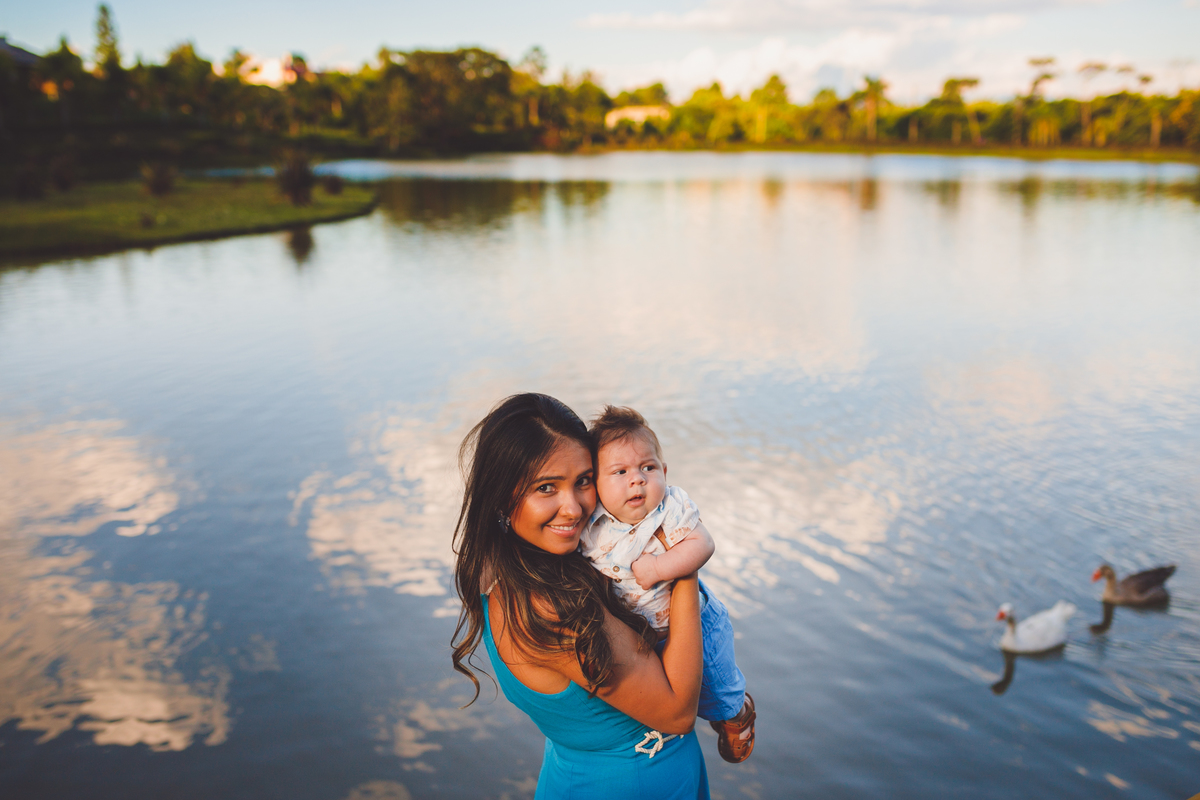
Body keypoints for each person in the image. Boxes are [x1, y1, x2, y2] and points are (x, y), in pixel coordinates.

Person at [452, 393, 710, 799]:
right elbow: (677, 712)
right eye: (546, 487)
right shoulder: (550, 607)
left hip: (576, 771)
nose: (573, 508)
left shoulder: (502, 566)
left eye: (584, 481)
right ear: (501, 494)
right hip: (631, 786)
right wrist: (682, 558)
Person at [583, 406, 755, 764]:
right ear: (595, 483)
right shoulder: (592, 525)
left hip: (696, 624)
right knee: (670, 689)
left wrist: (659, 566)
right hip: (642, 631)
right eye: (620, 472)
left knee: (716, 684)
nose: (637, 480)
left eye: (648, 468)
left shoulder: (670, 508)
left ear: (664, 471)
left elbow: (702, 544)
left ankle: (736, 714)